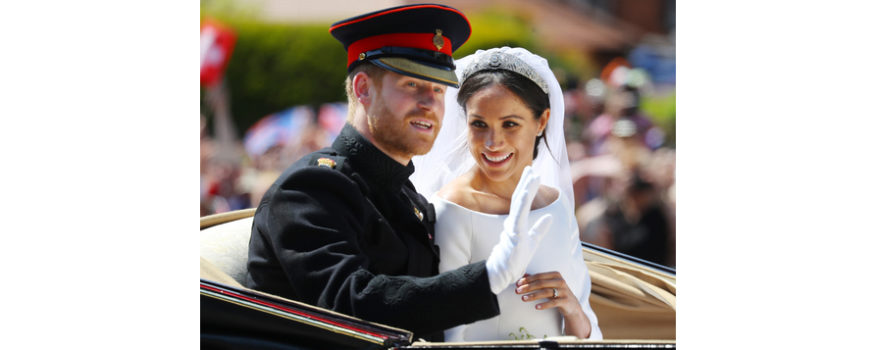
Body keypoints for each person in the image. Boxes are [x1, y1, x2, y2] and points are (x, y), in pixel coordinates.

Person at [245, 5, 553, 342]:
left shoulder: (406, 195)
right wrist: (489, 277)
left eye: (438, 89)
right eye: (411, 84)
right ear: (363, 88)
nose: (429, 103)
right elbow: (350, 304)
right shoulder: (310, 189)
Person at [411, 47, 603, 340]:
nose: (493, 142)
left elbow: (586, 329)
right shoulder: (452, 208)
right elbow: (446, 332)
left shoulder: (556, 204)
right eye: (479, 124)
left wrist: (572, 308)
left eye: (510, 124)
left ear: (541, 122)